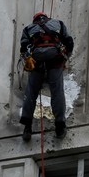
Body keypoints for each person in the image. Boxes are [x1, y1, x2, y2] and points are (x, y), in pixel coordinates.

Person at [19, 12, 74, 141]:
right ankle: (60, 125)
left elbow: (23, 48)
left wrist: (28, 59)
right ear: (46, 17)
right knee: (57, 92)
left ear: (35, 20)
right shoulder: (58, 23)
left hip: (37, 61)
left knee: (31, 92)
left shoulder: (28, 28)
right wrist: (65, 58)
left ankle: (27, 127)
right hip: (55, 59)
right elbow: (69, 41)